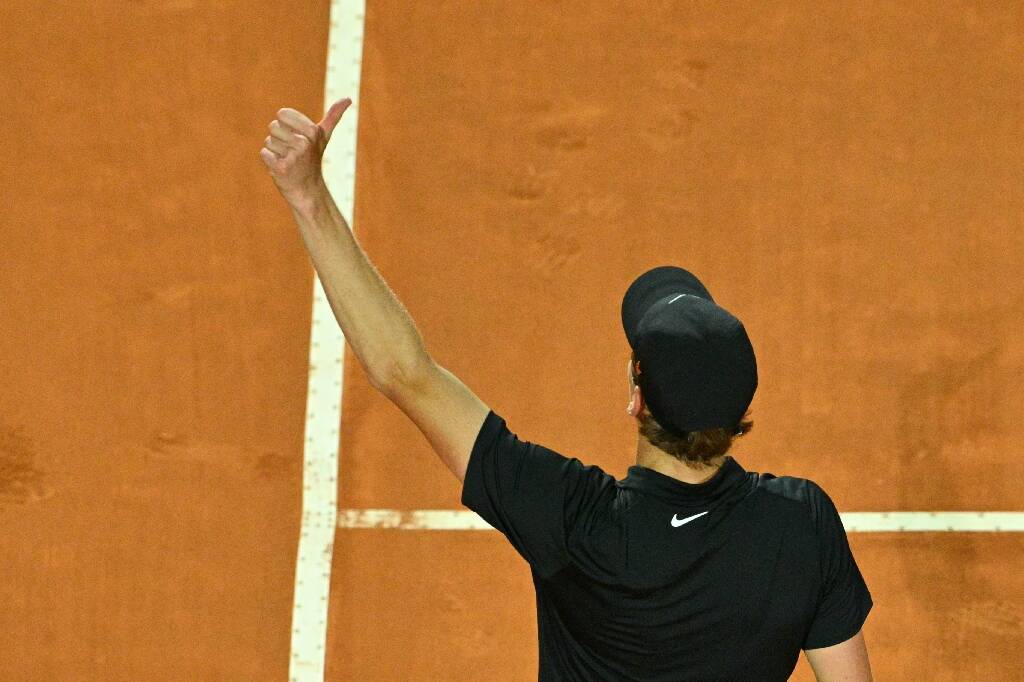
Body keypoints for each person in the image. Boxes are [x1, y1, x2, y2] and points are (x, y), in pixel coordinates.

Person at [261, 99, 874, 681]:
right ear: (740, 411)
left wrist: (308, 196)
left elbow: (404, 372)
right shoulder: (802, 525)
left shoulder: (573, 522)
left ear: (637, 400)